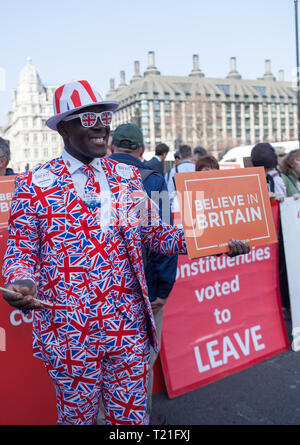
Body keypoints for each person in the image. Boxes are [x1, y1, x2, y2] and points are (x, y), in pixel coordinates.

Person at [1, 80, 250, 425]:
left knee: (132, 422)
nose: (102, 125)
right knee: (77, 421)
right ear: (63, 127)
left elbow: (155, 233)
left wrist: (214, 242)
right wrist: (21, 283)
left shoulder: (127, 177)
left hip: (128, 328)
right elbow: (20, 252)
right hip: (69, 333)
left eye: (104, 117)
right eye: (89, 119)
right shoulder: (33, 185)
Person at [96, 123, 177, 426]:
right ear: (142, 150)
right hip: (144, 294)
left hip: (101, 292)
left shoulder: (94, 177)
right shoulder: (153, 180)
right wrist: (161, 291)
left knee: (99, 367)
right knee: (137, 368)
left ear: (112, 147)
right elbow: (164, 239)